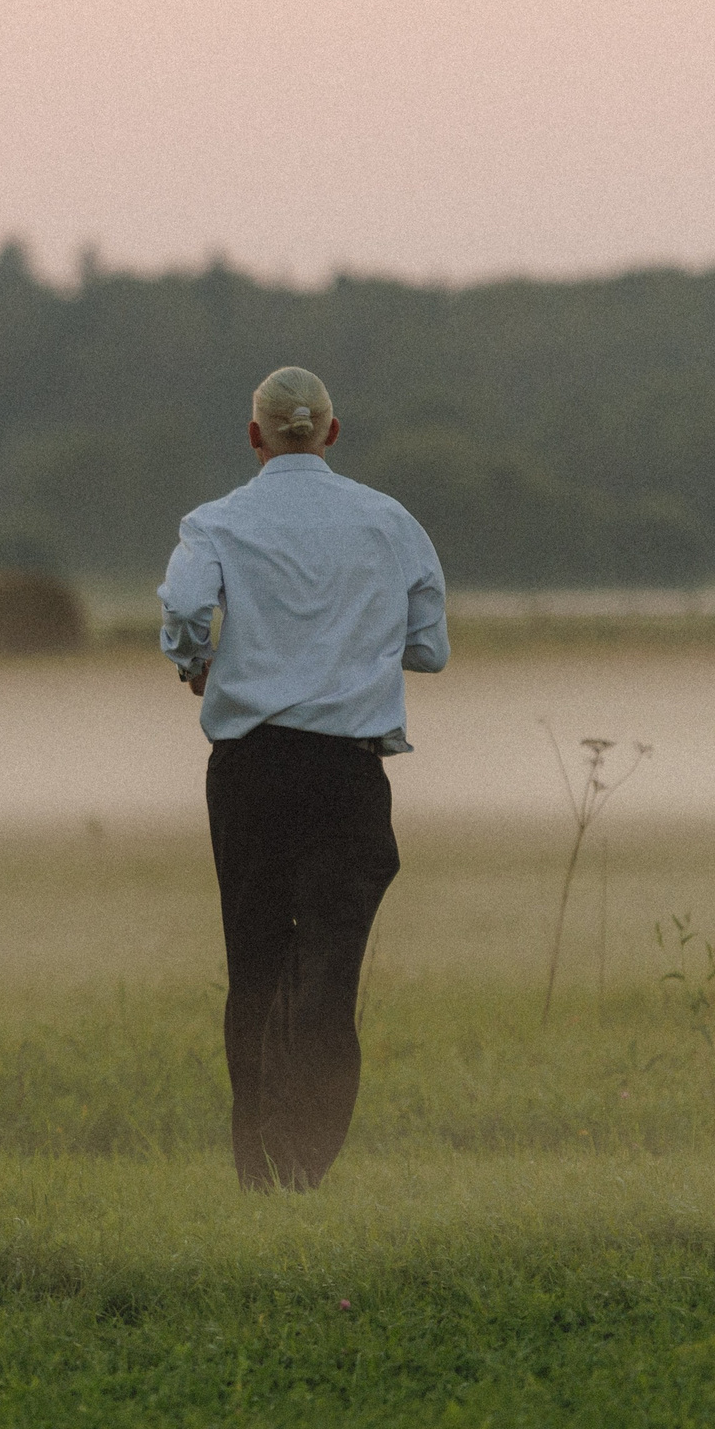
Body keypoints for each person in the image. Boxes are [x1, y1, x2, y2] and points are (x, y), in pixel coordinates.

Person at [158, 367, 448, 1191]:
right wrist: (356, 649)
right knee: (328, 963)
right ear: (332, 431)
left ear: (254, 436)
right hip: (347, 774)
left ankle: (259, 1168)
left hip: (250, 769)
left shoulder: (215, 522)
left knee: (254, 960)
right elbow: (430, 648)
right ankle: (303, 1159)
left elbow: (185, 607)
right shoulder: (390, 521)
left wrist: (195, 663)